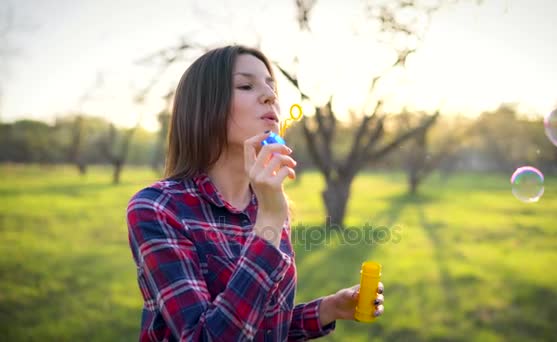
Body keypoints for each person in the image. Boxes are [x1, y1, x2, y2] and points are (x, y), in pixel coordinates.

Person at [126, 44, 385, 341]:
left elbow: (263, 325)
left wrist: (327, 309)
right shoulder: (157, 208)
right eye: (246, 85)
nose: (270, 96)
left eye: (271, 87)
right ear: (204, 107)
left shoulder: (264, 204)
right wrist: (271, 220)